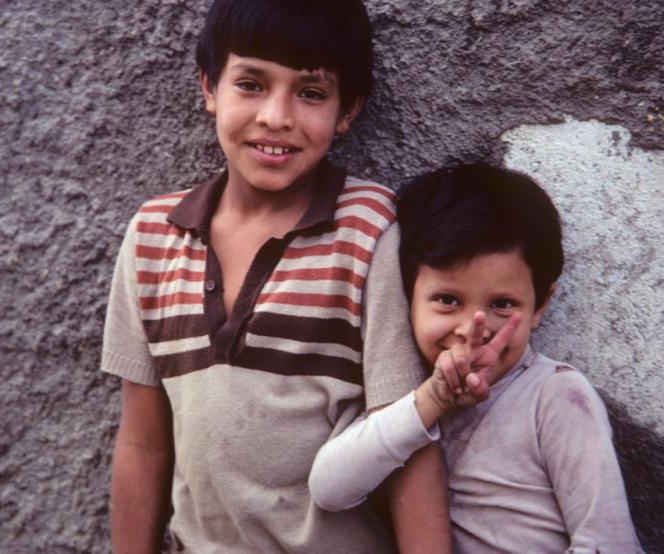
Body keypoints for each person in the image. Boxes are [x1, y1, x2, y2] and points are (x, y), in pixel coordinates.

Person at [101, 0, 452, 552]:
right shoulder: (153, 236)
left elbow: (404, 435)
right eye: (251, 84)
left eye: (311, 92)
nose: (276, 117)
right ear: (209, 86)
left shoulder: (368, 229)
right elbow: (143, 445)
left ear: (348, 108)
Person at [309, 163, 642, 552]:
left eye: (503, 305)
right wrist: (429, 403)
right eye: (447, 300)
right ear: (408, 297)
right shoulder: (411, 402)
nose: (473, 328)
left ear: (540, 306)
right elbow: (328, 489)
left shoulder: (556, 397)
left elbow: (610, 543)